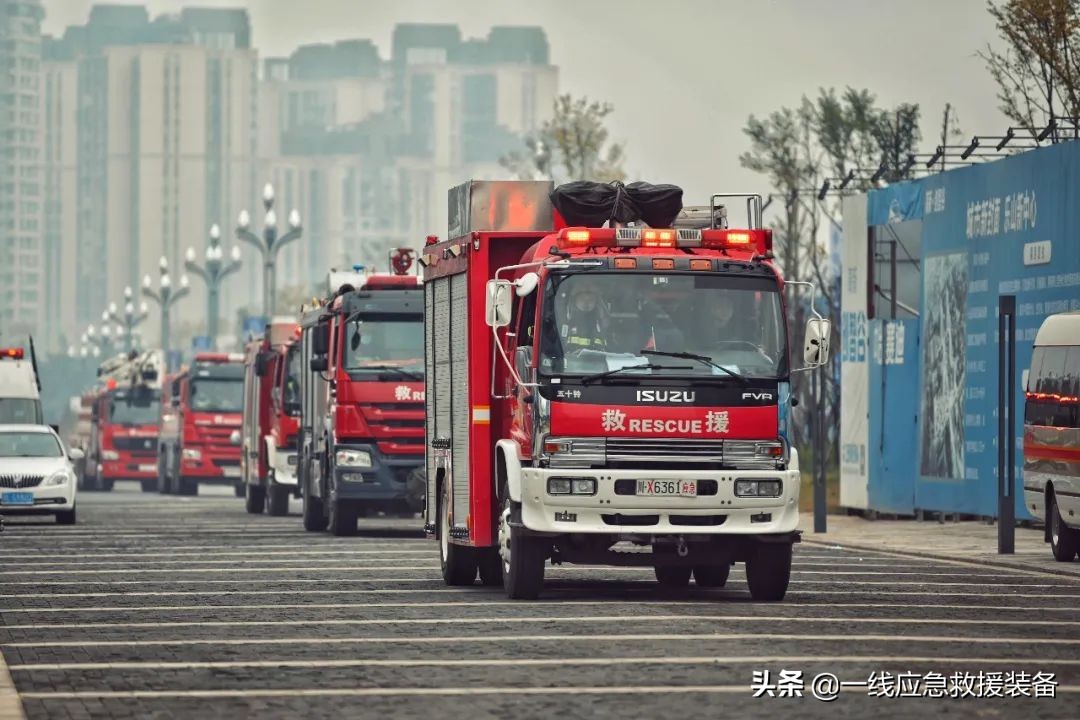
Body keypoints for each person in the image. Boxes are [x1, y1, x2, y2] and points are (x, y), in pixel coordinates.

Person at [563, 285, 606, 352]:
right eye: (582, 299)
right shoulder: (564, 321)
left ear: (596, 302)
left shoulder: (602, 323)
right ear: (575, 300)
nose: (586, 302)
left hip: (597, 360)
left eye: (591, 299)